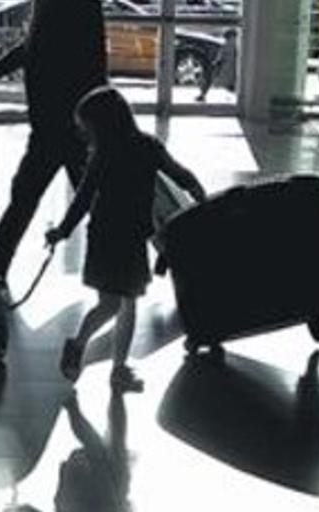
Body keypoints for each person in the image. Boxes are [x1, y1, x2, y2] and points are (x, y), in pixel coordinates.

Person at [44, 87, 206, 390]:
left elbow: (83, 199)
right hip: (129, 239)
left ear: (102, 125)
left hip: (107, 238)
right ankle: (90, 351)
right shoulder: (147, 146)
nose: (84, 135)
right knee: (121, 305)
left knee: (117, 304)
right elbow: (177, 172)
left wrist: (62, 231)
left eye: (86, 127)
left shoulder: (103, 155)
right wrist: (196, 189)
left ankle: (111, 364)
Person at [0, 0, 107, 277]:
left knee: (35, 192)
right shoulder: (63, 8)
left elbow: (38, 50)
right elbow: (34, 48)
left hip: (61, 123)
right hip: (64, 123)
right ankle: (132, 257)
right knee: (84, 197)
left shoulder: (64, 8)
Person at [196, 28, 238, 102]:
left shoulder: (227, 45)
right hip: (228, 70)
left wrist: (215, 62)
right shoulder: (231, 44)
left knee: (209, 77)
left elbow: (220, 58)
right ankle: (203, 94)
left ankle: (202, 94)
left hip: (224, 69)